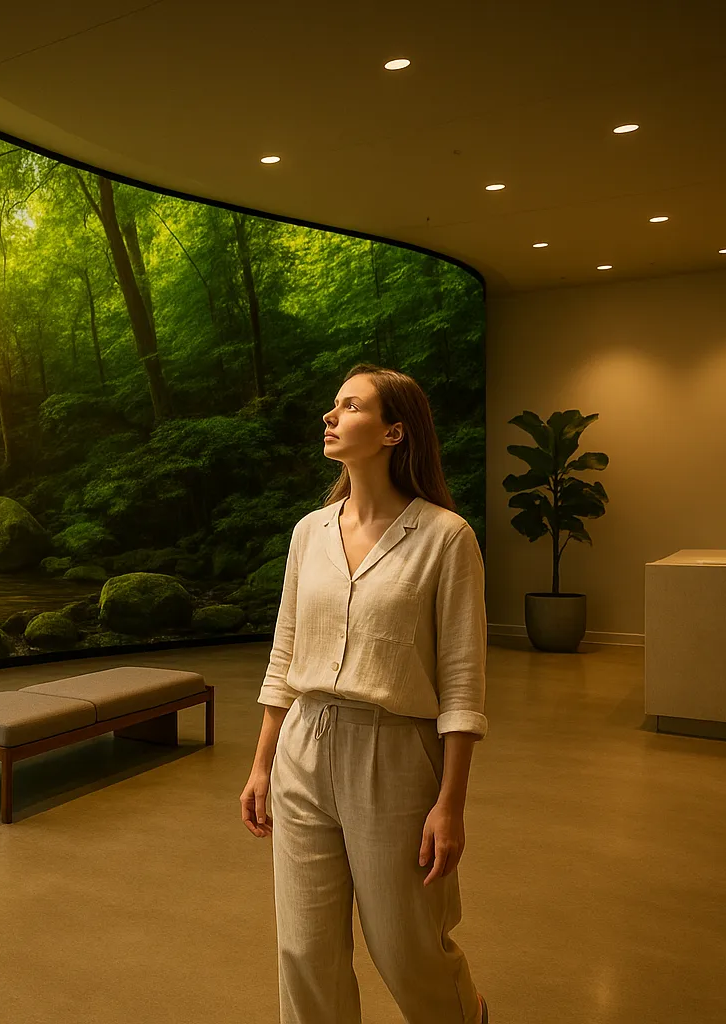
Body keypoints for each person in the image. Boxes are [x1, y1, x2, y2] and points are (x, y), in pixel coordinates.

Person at [239, 364, 490, 1024]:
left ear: (392, 432)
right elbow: (285, 656)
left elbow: (462, 685)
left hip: (394, 754)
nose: (331, 416)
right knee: (304, 950)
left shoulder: (445, 537)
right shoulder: (308, 533)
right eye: (332, 405)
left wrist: (450, 805)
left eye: (350, 406)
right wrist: (263, 762)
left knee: (407, 947)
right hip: (303, 747)